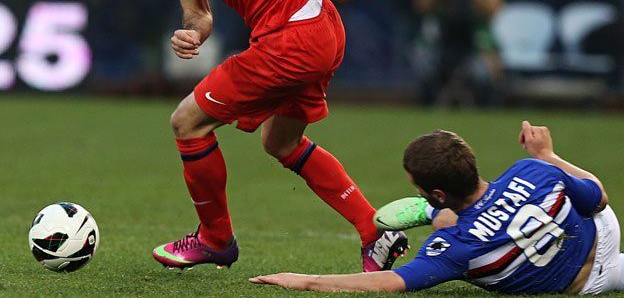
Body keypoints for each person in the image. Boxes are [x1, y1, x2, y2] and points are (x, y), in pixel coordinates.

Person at [92, 0, 408, 271]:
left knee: (187, 123)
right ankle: (375, 232)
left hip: (294, 36)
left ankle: (215, 240)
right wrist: (192, 32)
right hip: (316, 30)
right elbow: (199, 13)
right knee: (281, 142)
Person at [251, 121, 624, 294]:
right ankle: (437, 213)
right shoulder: (531, 170)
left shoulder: (451, 248)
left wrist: (305, 280)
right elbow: (598, 196)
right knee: (555, 192)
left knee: (450, 229)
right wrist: (547, 156)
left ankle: (432, 213)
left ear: (438, 192)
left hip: (585, 286)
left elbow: (388, 282)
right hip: (601, 230)